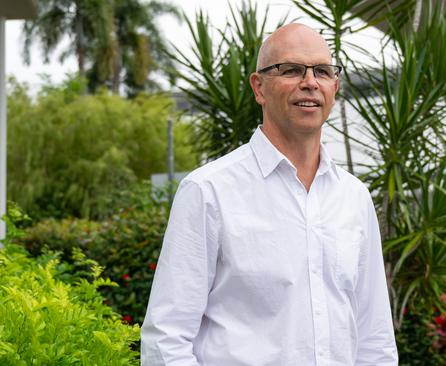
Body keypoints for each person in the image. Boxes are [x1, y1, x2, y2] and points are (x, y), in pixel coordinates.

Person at [141, 23, 397, 365]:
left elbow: (374, 336)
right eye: (291, 70)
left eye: (322, 71)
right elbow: (166, 340)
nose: (310, 82)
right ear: (258, 87)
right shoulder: (209, 192)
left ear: (334, 86)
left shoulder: (354, 198)